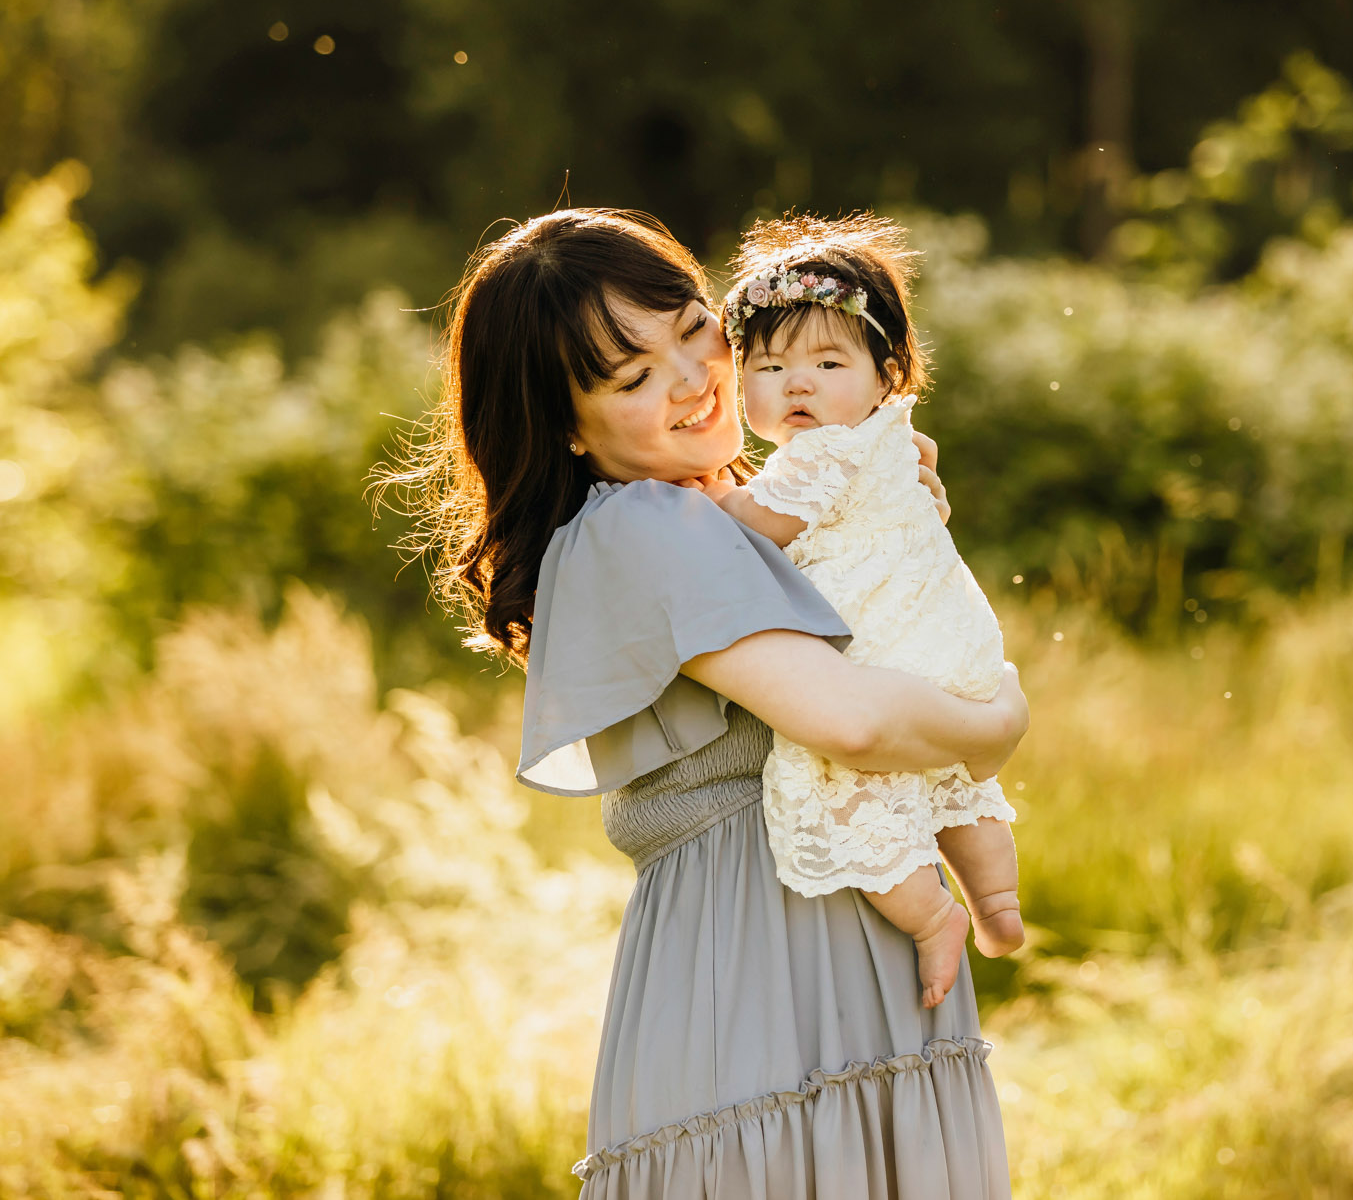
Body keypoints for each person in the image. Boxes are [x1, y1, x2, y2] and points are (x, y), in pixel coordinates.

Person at [391, 207, 1023, 1196]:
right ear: (566, 423)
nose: (692, 380)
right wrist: (996, 726)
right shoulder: (648, 521)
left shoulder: (743, 505)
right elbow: (849, 721)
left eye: (693, 330)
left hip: (833, 959)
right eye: (632, 377)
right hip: (758, 973)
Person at [702, 214, 1024, 1012]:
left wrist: (708, 496)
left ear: (887, 377)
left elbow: (758, 526)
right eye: (769, 366)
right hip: (954, 643)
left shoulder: (821, 454)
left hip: (885, 650)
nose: (796, 383)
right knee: (951, 782)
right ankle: (999, 903)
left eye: (827, 361)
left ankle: (933, 917)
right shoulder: (895, 441)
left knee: (845, 787)